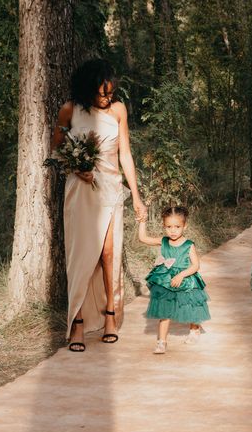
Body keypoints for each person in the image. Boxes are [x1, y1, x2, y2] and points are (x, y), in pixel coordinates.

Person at [52, 59, 147, 352]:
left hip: (110, 190)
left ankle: (109, 315)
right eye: (101, 94)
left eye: (110, 93)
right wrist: (75, 166)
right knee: (80, 256)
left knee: (108, 253)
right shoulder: (70, 110)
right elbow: (56, 147)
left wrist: (138, 195)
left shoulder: (118, 111)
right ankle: (77, 323)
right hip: (81, 191)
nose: (107, 99)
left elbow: (126, 154)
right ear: (87, 89)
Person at [138, 206, 210, 354]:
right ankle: (162, 342)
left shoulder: (188, 245)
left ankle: (194, 329)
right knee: (165, 310)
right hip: (166, 279)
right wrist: (142, 222)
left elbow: (196, 265)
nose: (173, 230)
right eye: (169, 227)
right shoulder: (164, 241)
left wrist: (181, 275)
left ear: (185, 226)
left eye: (177, 227)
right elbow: (143, 238)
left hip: (185, 277)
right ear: (164, 226)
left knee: (190, 305)